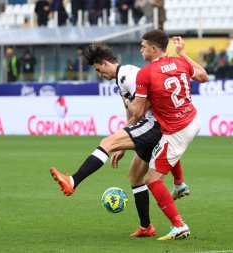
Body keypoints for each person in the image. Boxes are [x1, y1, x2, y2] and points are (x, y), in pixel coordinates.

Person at [50, 41, 192, 237]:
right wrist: (124, 145)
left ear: (106, 63)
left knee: (106, 143)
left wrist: (121, 139)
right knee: (135, 176)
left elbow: (144, 106)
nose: (100, 75)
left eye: (99, 70)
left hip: (155, 125)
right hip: (150, 125)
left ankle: (73, 181)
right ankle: (146, 227)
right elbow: (130, 111)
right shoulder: (121, 78)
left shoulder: (129, 75)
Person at [125, 30, 208, 240]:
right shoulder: (180, 62)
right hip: (193, 118)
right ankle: (179, 183)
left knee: (151, 179)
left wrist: (126, 99)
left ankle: (179, 225)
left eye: (143, 46)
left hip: (177, 129)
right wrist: (182, 53)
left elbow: (139, 111)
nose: (140, 49)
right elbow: (203, 76)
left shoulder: (146, 73)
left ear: (153, 49)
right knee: (158, 144)